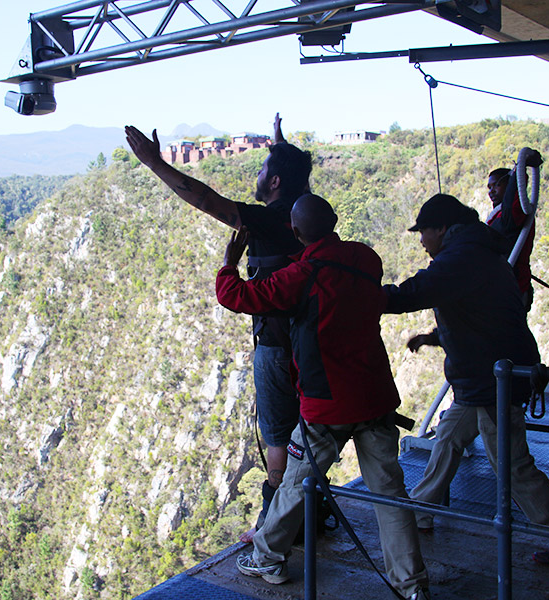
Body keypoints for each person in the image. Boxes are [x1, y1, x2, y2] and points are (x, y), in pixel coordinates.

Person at [217, 194, 430, 600]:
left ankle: (266, 556)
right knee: (389, 494)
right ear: (334, 220)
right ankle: (412, 585)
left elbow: (237, 297)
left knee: (297, 485)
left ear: (296, 233)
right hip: (373, 396)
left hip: (325, 402)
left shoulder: (300, 277)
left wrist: (230, 262)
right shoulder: (367, 259)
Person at [125, 119, 311, 542]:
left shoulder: (269, 221)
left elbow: (205, 199)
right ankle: (305, 516)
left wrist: (154, 163)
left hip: (277, 344)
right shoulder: (308, 213)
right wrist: (280, 145)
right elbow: (291, 175)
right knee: (307, 434)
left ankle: (274, 528)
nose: (257, 175)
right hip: (311, 341)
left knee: (279, 438)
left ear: (276, 181)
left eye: (264, 169)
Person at [387, 193, 549, 569]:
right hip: (483, 377)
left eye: (424, 232)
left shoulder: (460, 258)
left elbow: (413, 292)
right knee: (446, 442)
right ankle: (420, 510)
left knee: (513, 466)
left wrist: (359, 297)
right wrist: (432, 338)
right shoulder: (479, 253)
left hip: (492, 380)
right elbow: (478, 315)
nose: (421, 241)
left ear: (442, 229)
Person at [485, 154, 540, 312]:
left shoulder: (518, 211)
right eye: (489, 188)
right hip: (502, 286)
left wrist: (518, 174)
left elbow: (511, 210)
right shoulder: (498, 215)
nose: (491, 192)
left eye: (496, 185)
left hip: (513, 287)